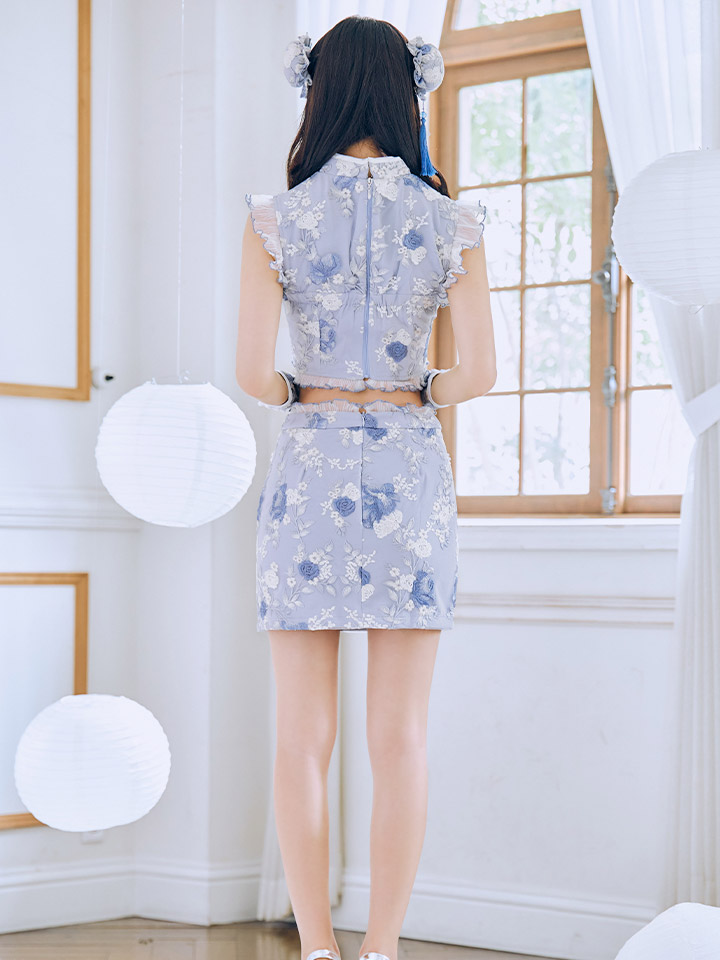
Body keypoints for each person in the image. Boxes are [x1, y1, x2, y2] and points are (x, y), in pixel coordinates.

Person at [236, 16, 496, 960]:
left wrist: (304, 390)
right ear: (405, 91)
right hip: (409, 473)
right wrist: (416, 388)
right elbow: (480, 376)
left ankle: (317, 947)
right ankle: (382, 948)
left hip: (309, 469)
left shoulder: (275, 217)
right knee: (403, 740)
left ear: (321, 92)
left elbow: (250, 374)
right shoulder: (452, 220)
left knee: (301, 739)